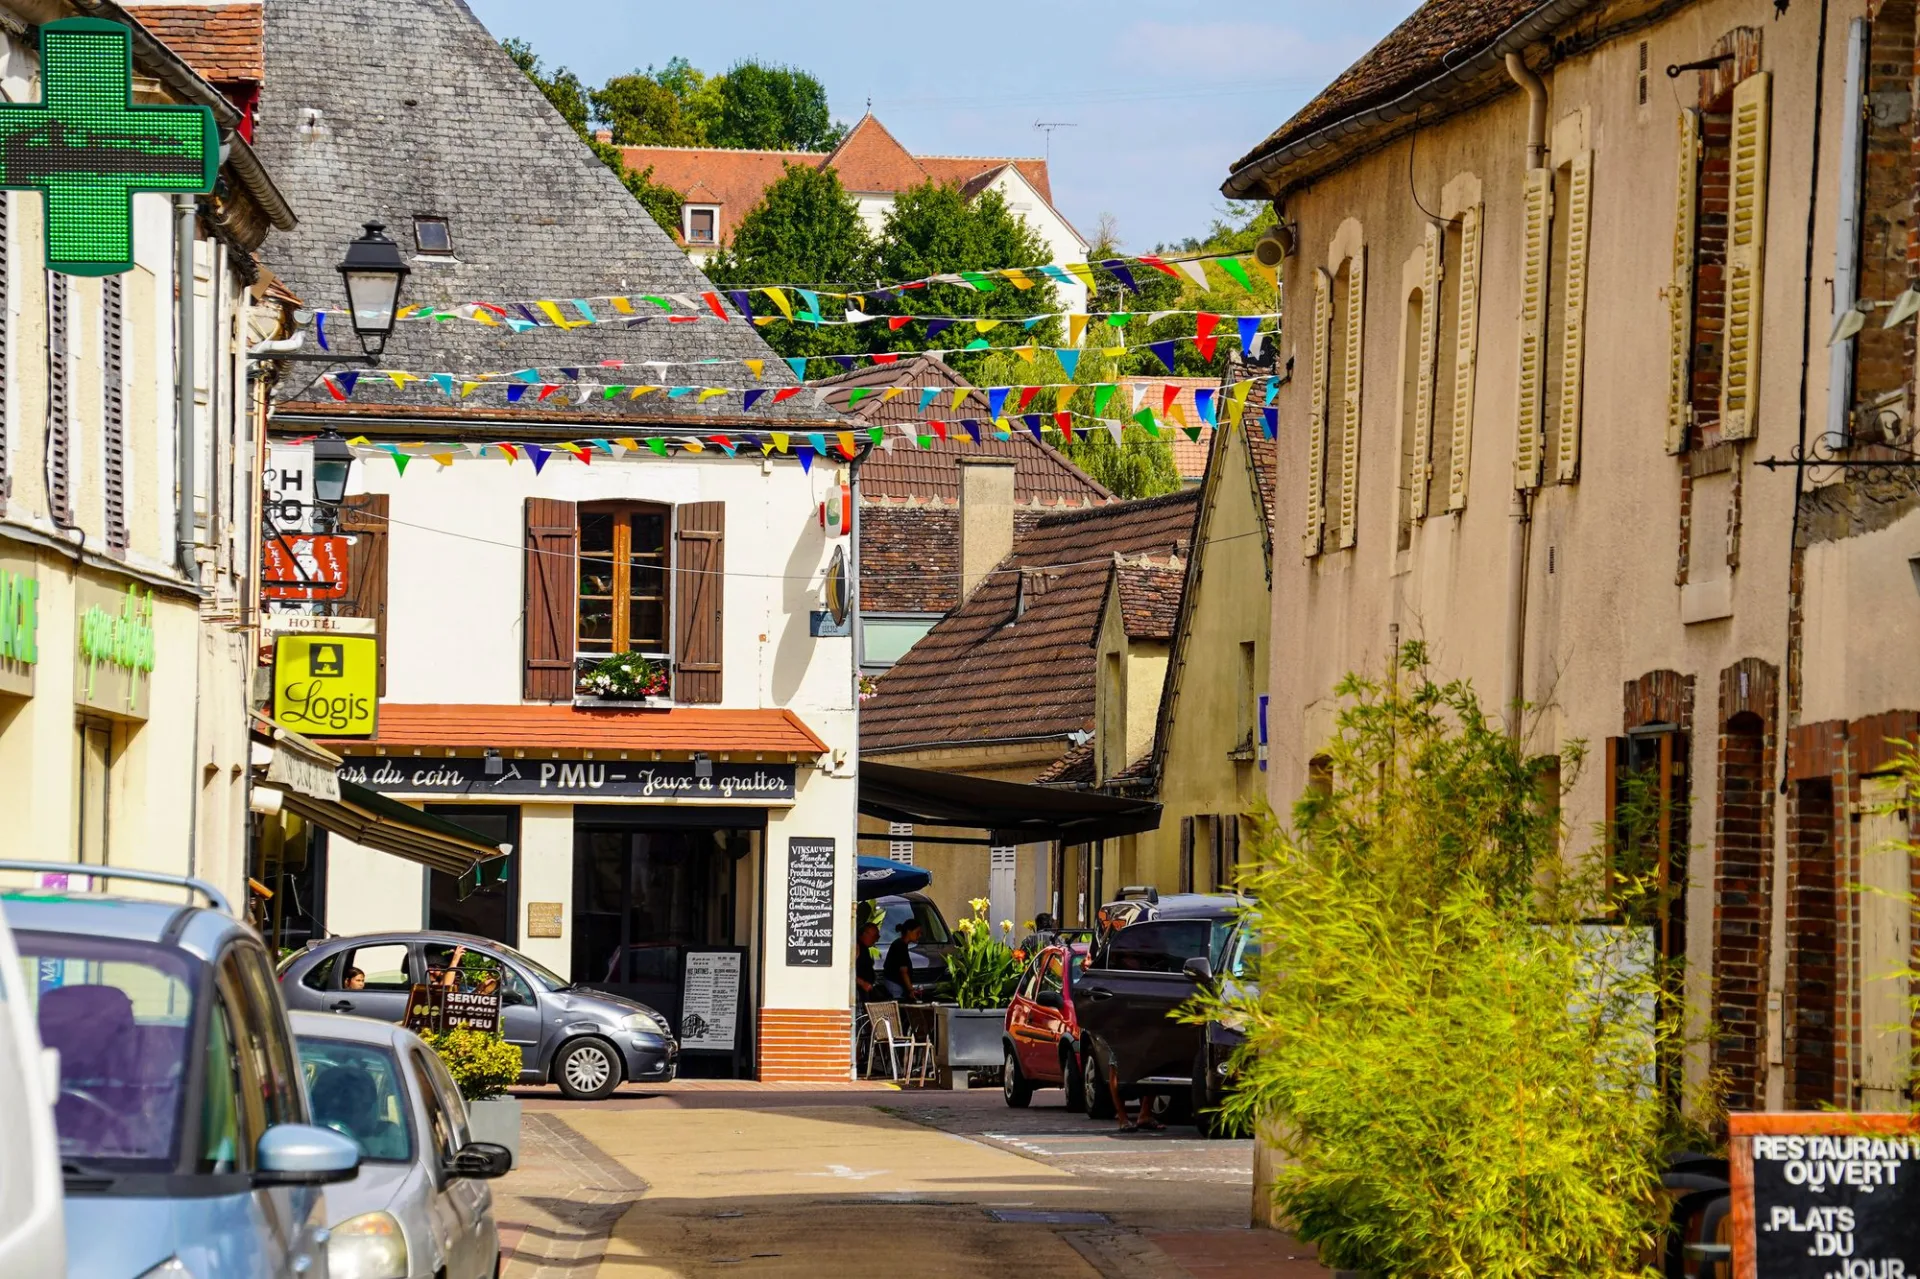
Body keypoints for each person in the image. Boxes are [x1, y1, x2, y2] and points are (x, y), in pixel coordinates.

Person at [884, 916, 922, 1001]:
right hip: (896, 984)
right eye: (917, 932)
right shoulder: (900, 946)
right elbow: (903, 971)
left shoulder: (900, 944)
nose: (919, 935)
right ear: (909, 931)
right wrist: (911, 990)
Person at [854, 921, 881, 1002]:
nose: (876, 940)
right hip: (859, 990)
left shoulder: (865, 948)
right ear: (865, 934)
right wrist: (862, 983)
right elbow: (846, 970)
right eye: (875, 936)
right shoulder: (856, 947)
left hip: (866, 989)